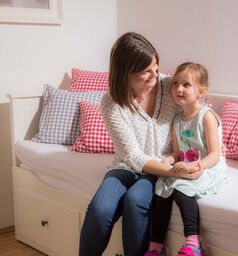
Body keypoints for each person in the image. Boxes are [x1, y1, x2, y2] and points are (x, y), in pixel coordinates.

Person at [79, 32, 203, 256]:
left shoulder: (170, 86)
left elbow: (197, 110)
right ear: (126, 73)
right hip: (127, 165)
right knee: (100, 209)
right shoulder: (111, 102)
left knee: (136, 201)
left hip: (160, 166)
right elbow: (133, 157)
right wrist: (179, 172)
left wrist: (211, 142)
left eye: (155, 66)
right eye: (146, 71)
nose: (155, 74)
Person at [144, 62, 229, 256]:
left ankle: (193, 243)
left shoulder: (206, 116)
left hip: (208, 165)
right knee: (162, 191)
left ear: (201, 91)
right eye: (175, 83)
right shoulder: (177, 119)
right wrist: (169, 160)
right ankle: (155, 247)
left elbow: (215, 154)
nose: (178, 89)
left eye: (186, 85)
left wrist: (198, 165)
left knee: (182, 191)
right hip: (186, 166)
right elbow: (177, 151)